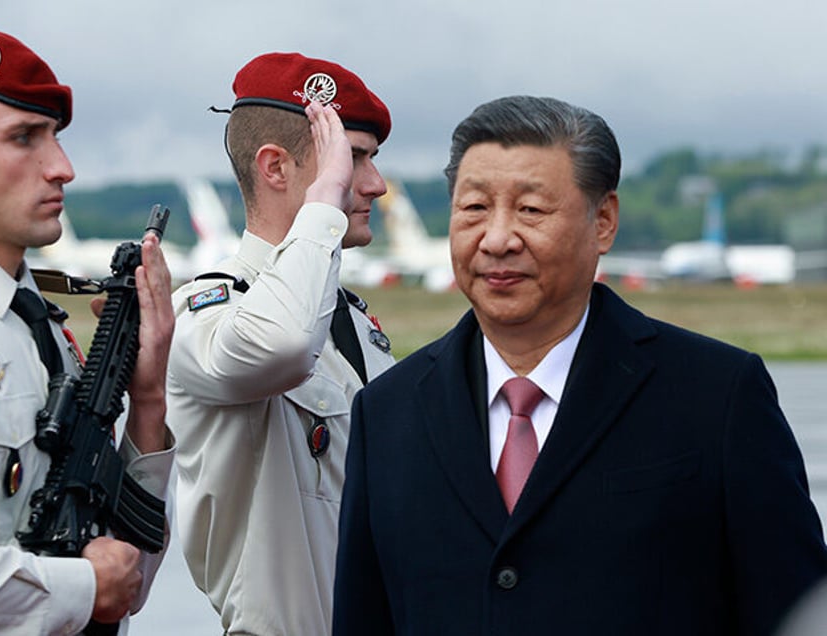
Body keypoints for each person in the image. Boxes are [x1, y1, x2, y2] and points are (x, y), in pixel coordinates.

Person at [332, 95, 827, 636]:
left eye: (531, 210)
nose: (497, 239)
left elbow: (794, 613)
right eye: (474, 208)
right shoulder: (388, 412)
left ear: (605, 222)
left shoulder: (718, 396)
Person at [166, 52, 395, 635]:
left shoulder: (354, 324)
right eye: (353, 158)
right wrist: (324, 206)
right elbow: (283, 346)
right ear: (275, 168)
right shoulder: (204, 315)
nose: (375, 184)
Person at [0, 27, 175, 634]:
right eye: (24, 138)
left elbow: (126, 582)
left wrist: (147, 402)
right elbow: (96, 585)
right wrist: (81, 586)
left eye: (56, 138)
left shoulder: (45, 331)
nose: (62, 167)